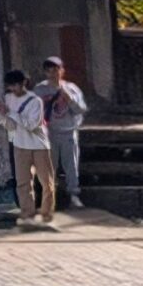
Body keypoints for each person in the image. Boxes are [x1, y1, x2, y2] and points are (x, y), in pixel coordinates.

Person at [0, 68, 56, 225]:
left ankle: (47, 214)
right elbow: (11, 126)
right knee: (23, 183)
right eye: (10, 86)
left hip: (39, 145)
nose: (13, 89)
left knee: (46, 182)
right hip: (20, 144)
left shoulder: (35, 101)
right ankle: (27, 215)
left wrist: (12, 113)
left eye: (15, 85)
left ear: (24, 83)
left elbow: (31, 124)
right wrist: (0, 114)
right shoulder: (9, 98)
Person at [36, 55, 88, 210]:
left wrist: (69, 99)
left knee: (71, 165)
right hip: (48, 134)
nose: (54, 73)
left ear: (62, 70)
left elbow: (81, 109)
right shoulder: (40, 90)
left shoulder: (72, 88)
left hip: (68, 132)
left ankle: (73, 195)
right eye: (50, 70)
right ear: (46, 72)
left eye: (57, 69)